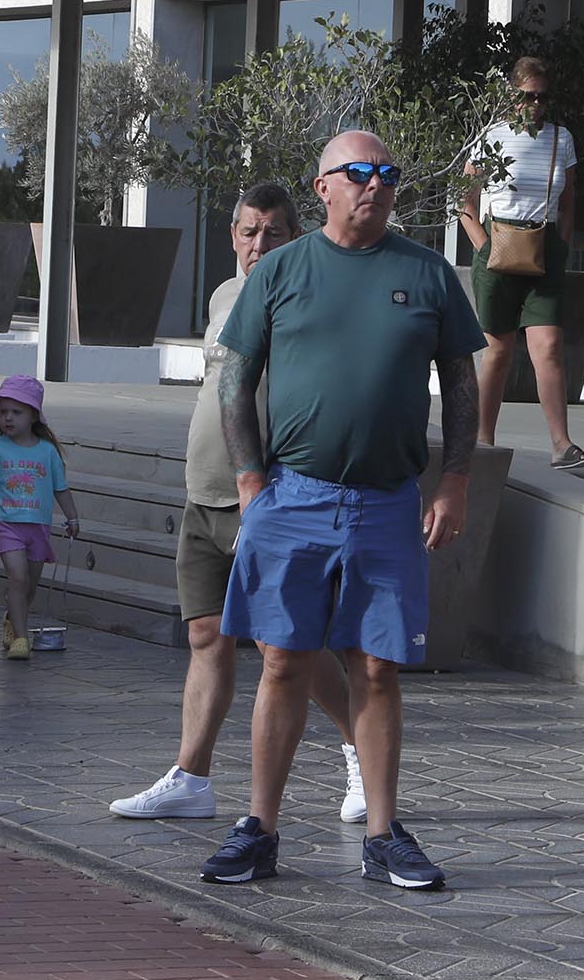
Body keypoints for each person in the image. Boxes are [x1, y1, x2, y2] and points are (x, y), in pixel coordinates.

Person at [201, 130, 485, 891]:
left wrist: (454, 481)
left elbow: (461, 385)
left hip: (387, 503)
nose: (376, 184)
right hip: (293, 497)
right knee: (284, 664)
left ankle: (385, 835)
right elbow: (236, 380)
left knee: (378, 670)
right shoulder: (283, 269)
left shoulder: (427, 274)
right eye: (358, 172)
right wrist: (251, 482)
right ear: (323, 186)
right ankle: (259, 828)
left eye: (387, 173)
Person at [109, 182, 367, 825]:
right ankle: (191, 778)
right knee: (205, 635)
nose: (258, 245)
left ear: (294, 237)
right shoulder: (225, 297)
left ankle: (362, 752)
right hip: (205, 493)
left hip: (271, 498)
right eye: (248, 232)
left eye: (272, 233)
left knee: (289, 650)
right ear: (232, 236)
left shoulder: (308, 300)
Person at [461, 56, 584, 472]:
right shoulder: (491, 137)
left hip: (544, 247)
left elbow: (569, 201)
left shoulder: (561, 138)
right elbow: (465, 203)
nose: (535, 104)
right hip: (498, 246)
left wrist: (564, 245)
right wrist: (483, 247)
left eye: (541, 97)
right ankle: (482, 442)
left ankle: (562, 444)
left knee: (549, 346)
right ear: (511, 97)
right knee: (498, 351)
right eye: (526, 97)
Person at [0, 375, 79, 659]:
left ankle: (12, 618)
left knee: (29, 584)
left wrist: (73, 518)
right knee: (17, 578)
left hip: (39, 527)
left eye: (16, 412)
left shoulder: (48, 452)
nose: (8, 418)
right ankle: (20, 638)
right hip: (8, 525)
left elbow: (60, 489)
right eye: (3, 412)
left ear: (33, 416)